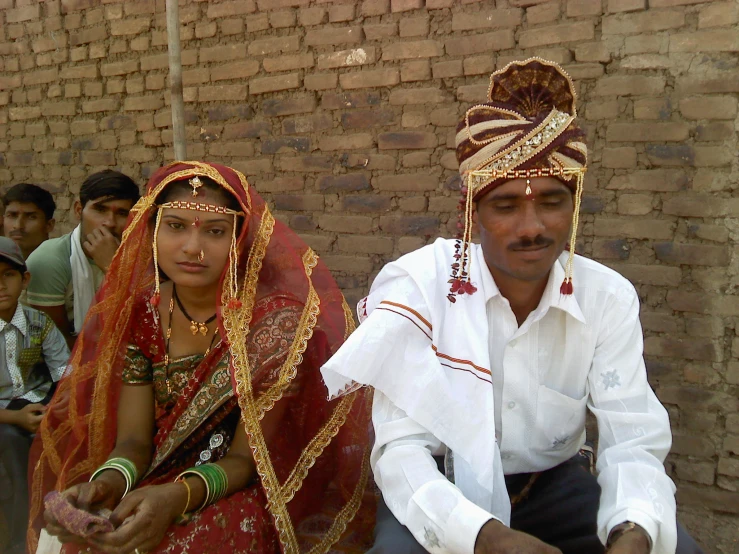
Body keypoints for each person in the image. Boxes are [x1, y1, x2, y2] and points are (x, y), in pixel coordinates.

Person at [322, 59, 703, 554]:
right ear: (472, 212)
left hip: (554, 486)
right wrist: (484, 538)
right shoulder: (420, 286)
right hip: (443, 488)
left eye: (552, 201)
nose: (532, 227)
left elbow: (631, 436)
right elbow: (401, 451)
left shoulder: (606, 297)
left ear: (575, 205)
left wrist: (633, 531)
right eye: (505, 206)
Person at [28, 161, 374, 554]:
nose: (193, 248)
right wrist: (106, 484)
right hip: (155, 474)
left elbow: (247, 458)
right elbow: (133, 442)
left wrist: (178, 496)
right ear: (152, 231)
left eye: (214, 231)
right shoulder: (140, 314)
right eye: (175, 226)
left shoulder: (275, 323)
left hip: (243, 484)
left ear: (239, 239)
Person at [0, 237, 70, 554]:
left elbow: (65, 374)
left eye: (8, 274)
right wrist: (14, 418)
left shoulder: (39, 324)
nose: (1, 285)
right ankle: (20, 537)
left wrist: (54, 409)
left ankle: (57, 532)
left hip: (36, 405)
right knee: (10, 441)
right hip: (5, 416)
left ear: (24, 279)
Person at [26, 170, 140, 348]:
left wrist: (113, 267)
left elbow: (143, 326)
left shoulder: (143, 258)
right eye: (100, 209)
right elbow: (54, 344)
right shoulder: (50, 259)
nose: (109, 222)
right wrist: (113, 269)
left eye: (122, 213)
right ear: (79, 210)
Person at [2, 183, 57, 260]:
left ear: (49, 225)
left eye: (31, 217)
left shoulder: (62, 264)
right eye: (12, 215)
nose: (18, 225)